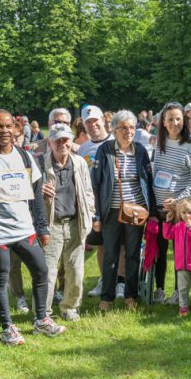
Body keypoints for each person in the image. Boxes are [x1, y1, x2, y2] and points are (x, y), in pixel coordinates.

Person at [0, 109, 65, 344]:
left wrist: (41, 227)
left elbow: (36, 197)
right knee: (0, 280)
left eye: (8, 126)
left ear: (15, 128)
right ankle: (7, 328)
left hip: (25, 230)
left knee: (41, 271)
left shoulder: (25, 157)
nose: (4, 131)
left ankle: (41, 319)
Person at [91, 110, 156, 310]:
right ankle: (107, 297)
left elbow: (148, 182)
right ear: (114, 130)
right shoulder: (105, 150)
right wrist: (96, 215)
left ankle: (131, 295)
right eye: (123, 128)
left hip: (136, 212)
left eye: (131, 127)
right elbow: (95, 183)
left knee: (133, 254)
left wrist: (151, 212)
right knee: (110, 254)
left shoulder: (141, 151)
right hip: (111, 211)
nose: (128, 132)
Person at [40, 123, 95, 322]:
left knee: (75, 270)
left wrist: (90, 213)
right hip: (51, 224)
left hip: (75, 223)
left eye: (66, 140)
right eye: (58, 140)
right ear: (50, 142)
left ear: (72, 142)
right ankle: (43, 312)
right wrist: (40, 192)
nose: (62, 144)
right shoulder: (41, 164)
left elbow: (88, 191)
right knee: (48, 271)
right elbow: (30, 195)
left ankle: (70, 307)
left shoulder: (79, 162)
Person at [151, 101, 191, 304]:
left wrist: (178, 200)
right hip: (158, 207)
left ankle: (177, 292)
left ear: (185, 120)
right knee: (159, 251)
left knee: (180, 252)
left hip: (180, 209)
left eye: (178, 119)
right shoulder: (157, 144)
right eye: (170, 119)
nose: (174, 123)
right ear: (163, 122)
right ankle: (159, 289)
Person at [78, 105, 114, 298]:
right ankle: (104, 279)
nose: (93, 125)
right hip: (93, 204)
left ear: (103, 120)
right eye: (88, 122)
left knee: (120, 244)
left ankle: (120, 281)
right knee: (100, 244)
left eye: (95, 121)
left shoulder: (115, 141)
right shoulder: (83, 149)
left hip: (115, 201)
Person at [163, 197, 191, 316]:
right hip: (181, 264)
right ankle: (183, 307)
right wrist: (167, 222)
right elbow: (167, 235)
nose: (187, 216)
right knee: (182, 287)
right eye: (184, 213)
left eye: (190, 212)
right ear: (179, 213)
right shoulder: (178, 226)